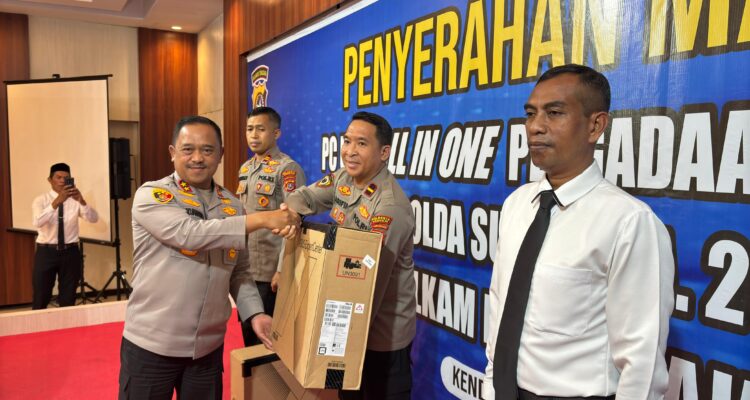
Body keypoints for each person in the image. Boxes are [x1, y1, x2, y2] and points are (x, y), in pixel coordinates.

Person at [484, 64, 674, 399]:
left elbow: (642, 365)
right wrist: (491, 386)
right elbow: (500, 310)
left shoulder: (629, 222)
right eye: (530, 114)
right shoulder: (516, 205)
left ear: (595, 126)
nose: (535, 126)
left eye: (554, 113)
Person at [119, 116, 300, 400]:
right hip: (152, 346)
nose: (197, 158)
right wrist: (263, 219)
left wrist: (255, 313)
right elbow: (190, 234)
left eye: (207, 150)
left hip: (207, 351)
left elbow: (240, 271)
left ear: (220, 154)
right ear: (172, 153)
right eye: (187, 149)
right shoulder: (153, 195)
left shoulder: (232, 205)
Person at [285, 111, 416, 400]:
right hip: (346, 319)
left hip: (381, 336)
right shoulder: (343, 178)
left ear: (384, 153)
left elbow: (371, 286)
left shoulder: (390, 207)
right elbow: (302, 197)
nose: (350, 151)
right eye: (347, 141)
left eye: (361, 143)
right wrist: (293, 214)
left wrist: (332, 330)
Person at [236, 106, 306, 346]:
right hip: (246, 268)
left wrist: (282, 269)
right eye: (249, 129)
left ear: (276, 133)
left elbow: (293, 223)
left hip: (270, 272)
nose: (254, 135)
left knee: (269, 340)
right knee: (247, 332)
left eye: (261, 129)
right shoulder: (245, 168)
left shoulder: (287, 169)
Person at [31, 163, 99, 309]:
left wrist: (82, 201)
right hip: (46, 252)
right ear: (50, 180)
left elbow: (94, 219)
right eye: (58, 177)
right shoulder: (41, 200)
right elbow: (37, 222)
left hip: (70, 252)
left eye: (66, 178)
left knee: (68, 298)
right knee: (41, 296)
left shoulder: (75, 200)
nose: (62, 180)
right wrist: (57, 202)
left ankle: (66, 323)